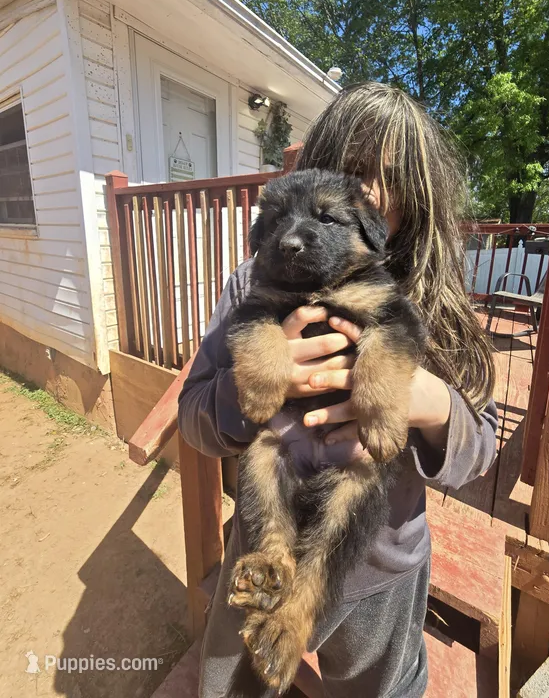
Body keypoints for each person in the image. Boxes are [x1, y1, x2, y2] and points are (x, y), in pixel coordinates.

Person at [178, 82, 498, 698]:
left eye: (391, 178)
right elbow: (197, 411)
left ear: (420, 194)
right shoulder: (255, 284)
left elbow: (479, 446)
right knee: (233, 683)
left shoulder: (423, 292)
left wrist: (429, 403)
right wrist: (257, 387)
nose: (371, 192)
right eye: (352, 170)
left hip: (381, 563)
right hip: (264, 538)